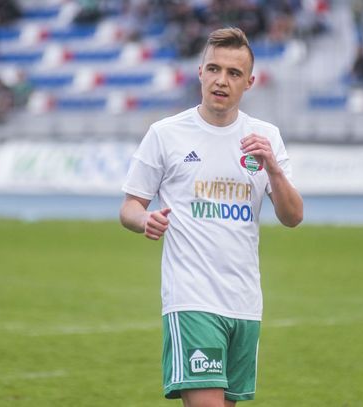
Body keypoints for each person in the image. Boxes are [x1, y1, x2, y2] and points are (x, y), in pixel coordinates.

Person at [119, 27, 303, 407]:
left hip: (245, 303)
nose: (222, 80)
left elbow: (292, 216)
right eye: (215, 69)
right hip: (191, 298)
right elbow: (130, 206)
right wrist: (144, 220)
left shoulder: (265, 137)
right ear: (200, 72)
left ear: (249, 82)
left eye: (234, 73)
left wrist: (273, 169)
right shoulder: (166, 134)